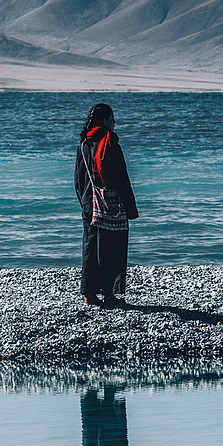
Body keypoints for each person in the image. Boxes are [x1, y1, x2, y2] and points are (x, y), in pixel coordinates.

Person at [74, 102, 139, 306]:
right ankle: (109, 294)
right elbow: (121, 179)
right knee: (113, 247)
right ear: (104, 121)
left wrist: (84, 202)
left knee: (90, 247)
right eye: (112, 119)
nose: (114, 123)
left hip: (89, 203)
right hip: (111, 205)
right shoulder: (111, 144)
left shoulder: (83, 145)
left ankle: (89, 294)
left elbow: (78, 179)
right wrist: (130, 208)